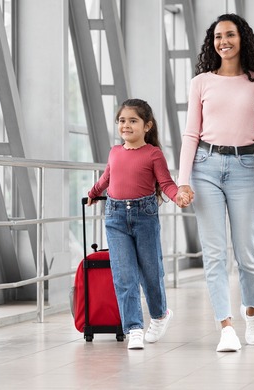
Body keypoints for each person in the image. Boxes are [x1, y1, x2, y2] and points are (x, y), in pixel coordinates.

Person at [176, 13, 254, 352]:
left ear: (242, 39)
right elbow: (191, 133)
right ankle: (226, 327)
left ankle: (252, 312)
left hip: (245, 167)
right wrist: (182, 182)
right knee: (215, 254)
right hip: (205, 167)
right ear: (212, 42)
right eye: (218, 36)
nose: (223, 42)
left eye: (230, 35)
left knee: (247, 252)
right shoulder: (201, 82)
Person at [87, 99, 189, 350]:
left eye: (133, 121)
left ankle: (160, 315)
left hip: (144, 217)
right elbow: (106, 178)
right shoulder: (114, 152)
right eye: (122, 120)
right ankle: (133, 328)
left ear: (147, 126)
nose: (126, 125)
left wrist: (178, 196)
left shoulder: (153, 154)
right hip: (115, 218)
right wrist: (93, 192)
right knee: (124, 275)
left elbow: (165, 183)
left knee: (151, 273)